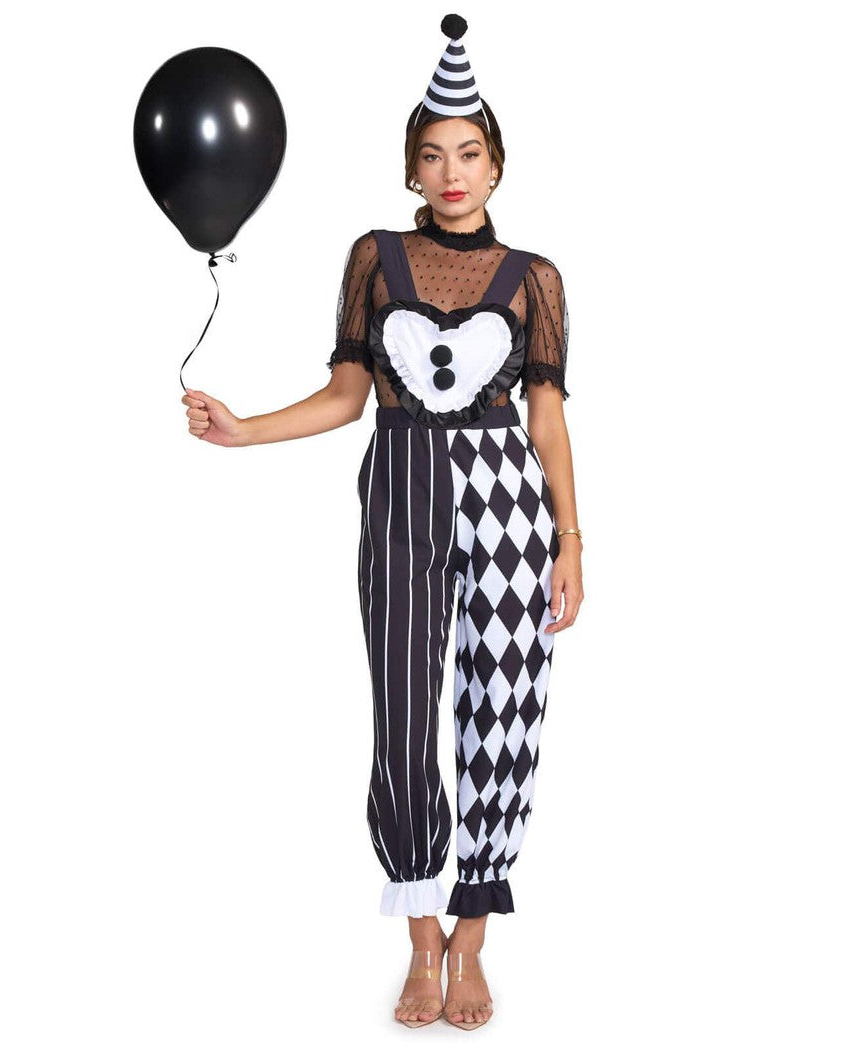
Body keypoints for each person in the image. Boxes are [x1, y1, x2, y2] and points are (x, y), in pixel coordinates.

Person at [180, 13, 583, 1030]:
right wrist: (244, 429)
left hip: (508, 507)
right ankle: (420, 937)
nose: (452, 173)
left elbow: (547, 419)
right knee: (403, 722)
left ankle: (473, 937)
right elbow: (346, 396)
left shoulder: (536, 278)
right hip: (400, 493)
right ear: (412, 168)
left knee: (505, 717)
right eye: (433, 155)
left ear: (497, 166)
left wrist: (572, 542)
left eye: (470, 153)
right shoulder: (375, 258)